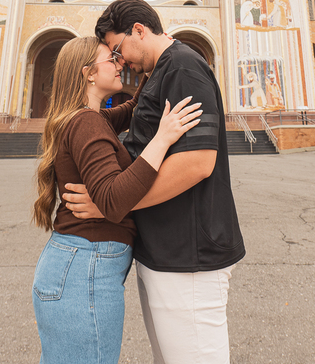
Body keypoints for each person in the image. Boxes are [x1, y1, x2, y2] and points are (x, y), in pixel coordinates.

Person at [63, 0, 245, 364]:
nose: (121, 60)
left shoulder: (182, 67)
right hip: (162, 252)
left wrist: (113, 203)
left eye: (118, 49)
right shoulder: (159, 71)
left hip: (188, 257)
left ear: (140, 31)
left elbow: (197, 163)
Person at [31, 36, 202, 364]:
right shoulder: (86, 122)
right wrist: (164, 138)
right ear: (89, 74)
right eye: (111, 59)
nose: (119, 63)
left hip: (75, 264)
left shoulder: (88, 119)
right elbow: (112, 199)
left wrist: (154, 62)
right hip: (85, 269)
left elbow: (130, 110)